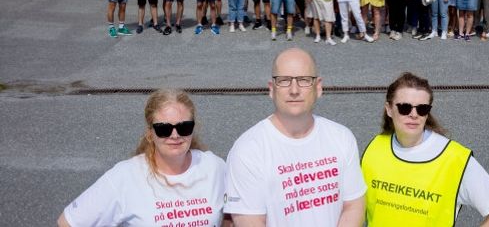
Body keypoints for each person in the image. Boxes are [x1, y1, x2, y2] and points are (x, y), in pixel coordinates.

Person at [224, 48, 367, 226]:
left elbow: (354, 204)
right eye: (284, 81)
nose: (294, 90)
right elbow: (250, 221)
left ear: (318, 87)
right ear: (271, 89)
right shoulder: (247, 150)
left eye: (304, 80)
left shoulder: (342, 137)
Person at [57, 89, 228, 227]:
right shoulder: (125, 176)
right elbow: (68, 222)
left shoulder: (214, 167)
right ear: (150, 133)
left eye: (184, 127)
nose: (175, 135)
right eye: (164, 129)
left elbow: (235, 215)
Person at [361, 72, 489, 226]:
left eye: (422, 109)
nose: (414, 114)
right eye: (405, 108)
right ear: (389, 109)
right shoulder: (374, 148)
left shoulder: (454, 158)